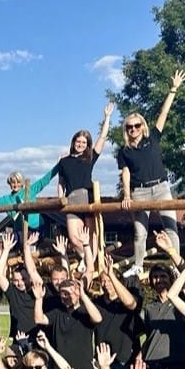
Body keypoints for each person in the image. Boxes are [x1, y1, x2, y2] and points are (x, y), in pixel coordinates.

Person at [118, 69, 185, 278]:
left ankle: (176, 263)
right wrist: (127, 195)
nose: (133, 129)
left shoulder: (153, 138)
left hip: (161, 188)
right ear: (126, 130)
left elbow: (163, 114)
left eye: (137, 125)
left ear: (143, 127)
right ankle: (138, 265)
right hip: (139, 192)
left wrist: (173, 89)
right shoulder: (125, 151)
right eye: (129, 127)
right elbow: (126, 173)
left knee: (171, 226)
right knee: (140, 232)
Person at [55, 103, 113, 258]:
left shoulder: (89, 158)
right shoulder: (64, 161)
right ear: (73, 142)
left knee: (90, 233)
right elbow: (61, 182)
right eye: (78, 141)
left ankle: (91, 261)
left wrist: (107, 117)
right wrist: (61, 197)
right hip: (71, 198)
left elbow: (102, 137)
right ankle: (87, 258)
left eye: (84, 142)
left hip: (87, 195)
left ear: (87, 145)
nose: (80, 144)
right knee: (74, 237)